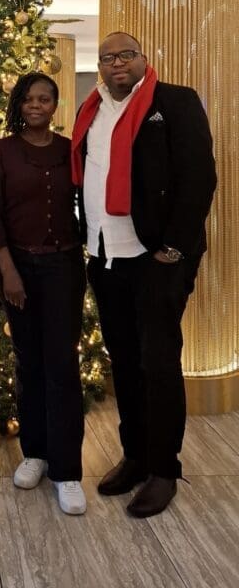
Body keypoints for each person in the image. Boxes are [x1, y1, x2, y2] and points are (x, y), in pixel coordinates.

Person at [71, 31, 217, 518]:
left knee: (157, 362)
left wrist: (174, 246)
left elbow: (199, 176)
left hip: (155, 257)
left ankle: (163, 470)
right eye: (108, 58)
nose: (117, 64)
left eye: (126, 55)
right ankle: (134, 455)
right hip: (104, 254)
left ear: (144, 59)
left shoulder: (174, 102)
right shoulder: (90, 109)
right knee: (125, 360)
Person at [0, 73, 87, 516]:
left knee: (62, 365)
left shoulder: (68, 150)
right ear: (19, 105)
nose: (37, 105)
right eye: (29, 99)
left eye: (45, 99)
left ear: (55, 105)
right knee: (29, 362)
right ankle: (36, 453)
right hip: (19, 267)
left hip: (65, 267)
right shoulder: (1, 151)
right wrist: (8, 271)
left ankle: (67, 472)